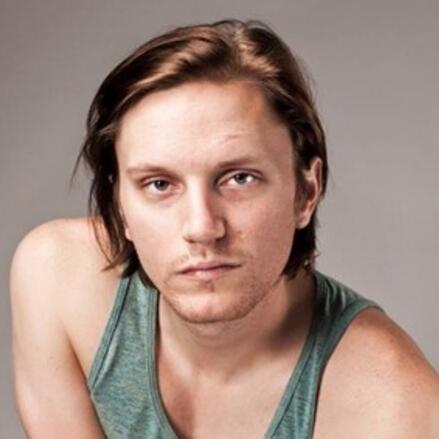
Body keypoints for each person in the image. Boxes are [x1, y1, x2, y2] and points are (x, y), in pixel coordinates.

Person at [9, 18, 439, 439]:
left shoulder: (392, 402)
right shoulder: (58, 282)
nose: (201, 227)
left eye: (239, 179)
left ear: (306, 192)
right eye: (159, 184)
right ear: (120, 205)